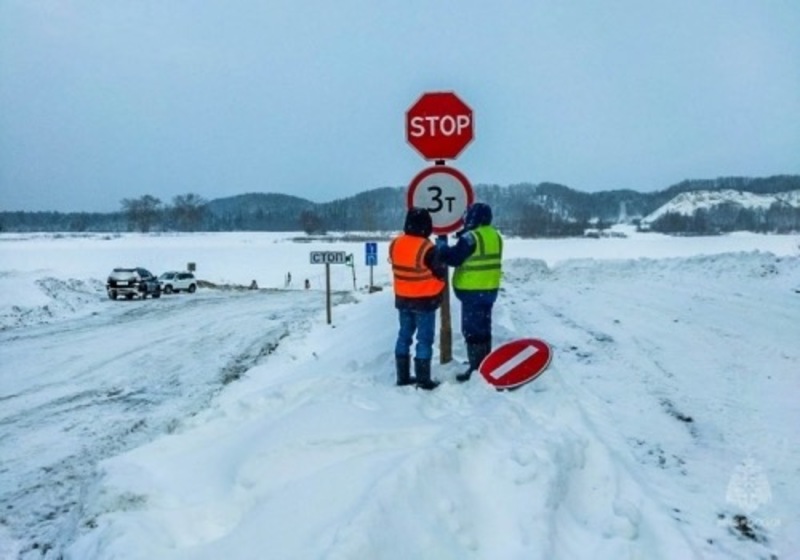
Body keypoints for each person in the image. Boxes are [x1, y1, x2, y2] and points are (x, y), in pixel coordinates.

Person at [436, 202, 503, 382]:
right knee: (484, 328)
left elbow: (454, 258)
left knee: (472, 330)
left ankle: (476, 369)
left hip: (472, 291)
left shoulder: (471, 237)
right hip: (489, 289)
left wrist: (442, 247)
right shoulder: (495, 235)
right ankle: (485, 364)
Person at [389, 207, 447, 390]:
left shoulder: (395, 244)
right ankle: (423, 379)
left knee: (404, 336)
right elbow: (440, 271)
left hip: (402, 299)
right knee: (424, 339)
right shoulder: (427, 248)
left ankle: (403, 376)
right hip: (425, 300)